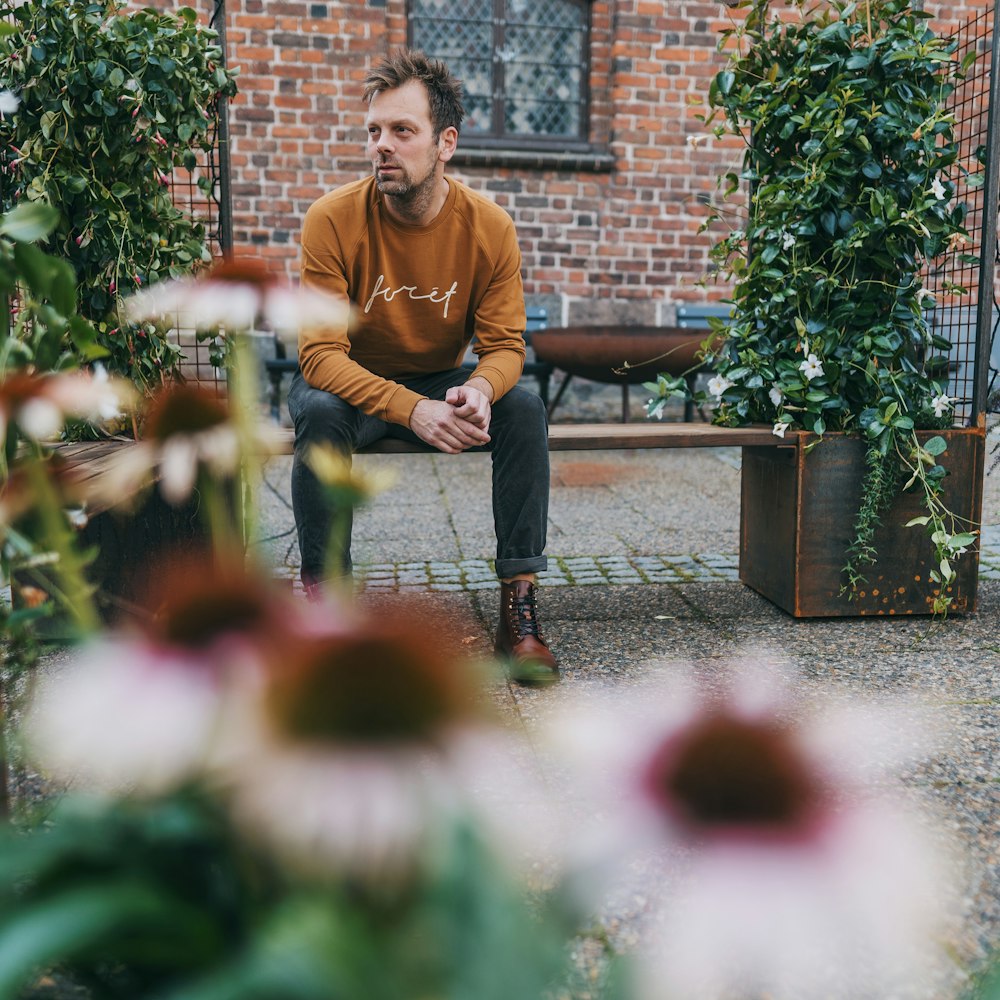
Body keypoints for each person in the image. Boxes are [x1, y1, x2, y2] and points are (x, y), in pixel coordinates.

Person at [288, 48, 558, 684]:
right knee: (321, 413)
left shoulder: (489, 228)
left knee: (522, 407)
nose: (381, 146)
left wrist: (481, 391)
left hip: (439, 381)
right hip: (349, 383)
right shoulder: (331, 219)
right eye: (374, 131)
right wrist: (412, 409)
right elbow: (319, 354)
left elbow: (504, 347)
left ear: (445, 143)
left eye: (402, 131)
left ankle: (518, 606)